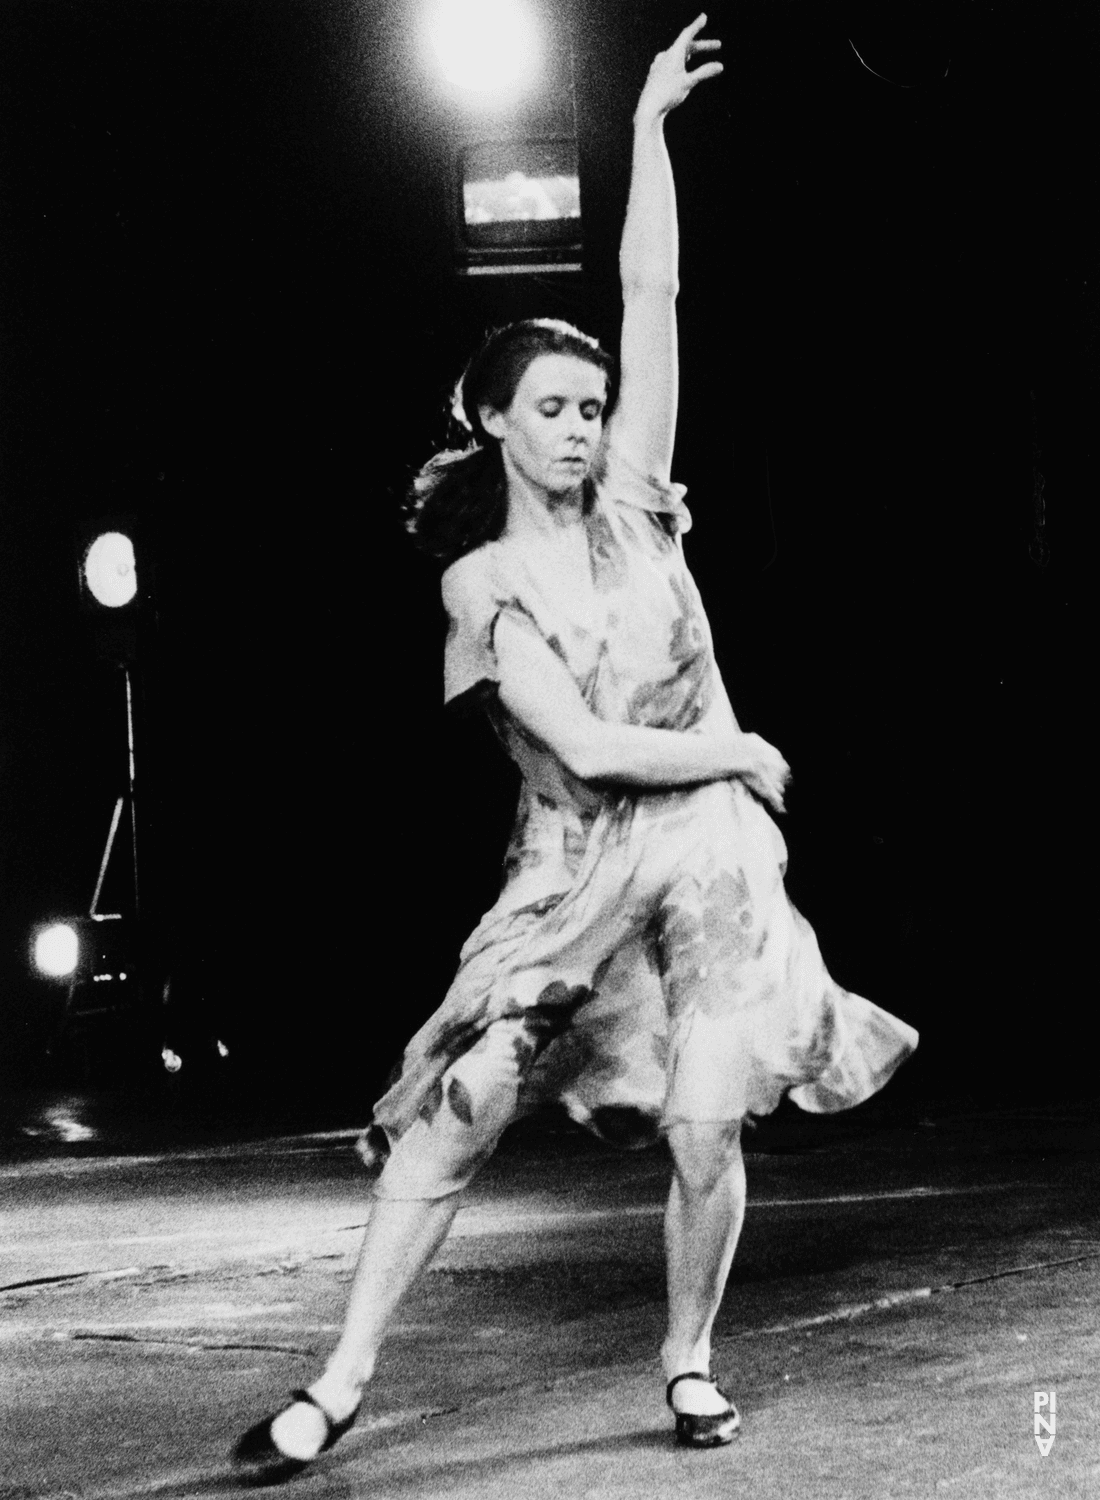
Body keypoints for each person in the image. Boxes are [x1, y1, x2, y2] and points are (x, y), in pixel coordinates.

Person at [235, 14, 918, 1475]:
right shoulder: (478, 588)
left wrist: (647, 133)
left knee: (701, 1125)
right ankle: (338, 1384)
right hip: (575, 863)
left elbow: (650, 286)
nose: (580, 425)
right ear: (491, 421)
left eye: (592, 407)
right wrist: (734, 754)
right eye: (550, 407)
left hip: (711, 871)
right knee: (456, 1109)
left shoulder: (640, 510)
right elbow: (591, 752)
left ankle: (686, 1360)